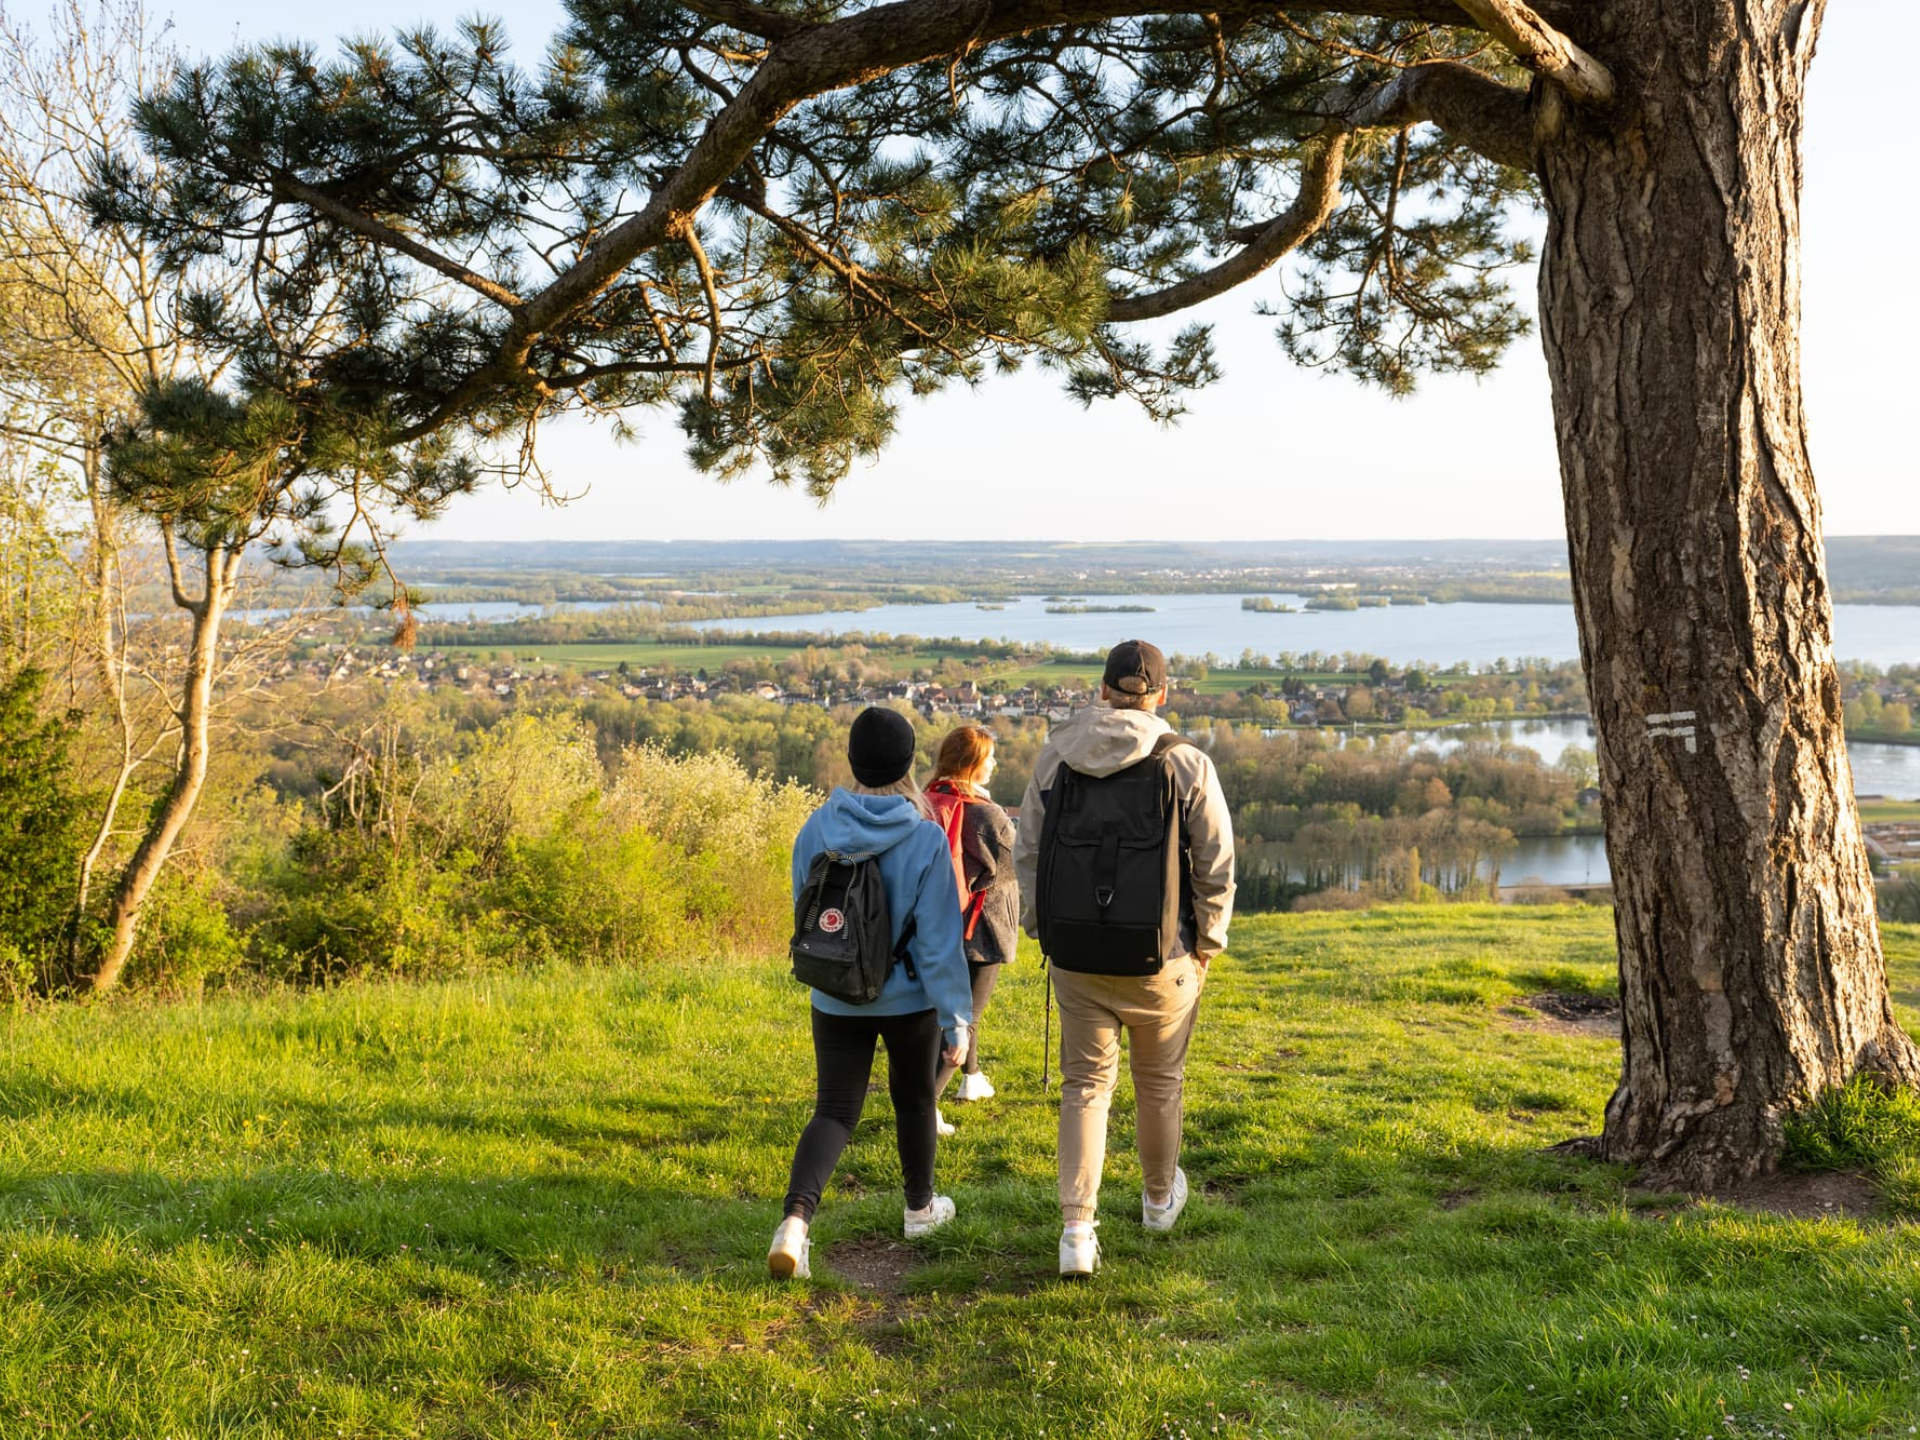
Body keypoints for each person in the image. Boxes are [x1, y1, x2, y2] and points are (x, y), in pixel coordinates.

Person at [1014, 639, 1235, 1277]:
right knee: (1159, 1082)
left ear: (1103, 689)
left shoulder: (1056, 758)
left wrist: (1041, 928)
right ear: (1161, 695)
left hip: (1076, 956)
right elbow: (1216, 866)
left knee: (1085, 1087)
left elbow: (1027, 853)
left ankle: (1077, 1232)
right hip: (1163, 958)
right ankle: (1159, 1200)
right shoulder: (1186, 762)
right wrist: (1207, 947)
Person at [769, 706, 973, 1281]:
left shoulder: (816, 827)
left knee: (834, 1111)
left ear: (853, 762)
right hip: (908, 1001)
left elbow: (805, 913)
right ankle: (919, 1210)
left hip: (834, 995)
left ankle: (795, 1223)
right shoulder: (926, 837)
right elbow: (939, 944)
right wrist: (958, 1020)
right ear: (910, 763)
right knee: (914, 1102)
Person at [923, 726, 1021, 1131]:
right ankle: (926, 1108)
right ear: (972, 764)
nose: (995, 764)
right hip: (983, 928)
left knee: (956, 1009)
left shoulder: (926, 803)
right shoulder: (989, 814)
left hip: (935, 925)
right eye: (990, 757)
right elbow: (1016, 865)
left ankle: (972, 1079)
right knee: (965, 1016)